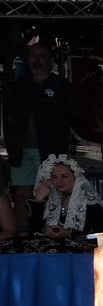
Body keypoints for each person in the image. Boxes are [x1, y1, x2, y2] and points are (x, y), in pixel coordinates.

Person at [5, 39, 74, 202]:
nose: (37, 59)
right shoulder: (17, 87)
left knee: (52, 192)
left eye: (42, 56)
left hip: (50, 151)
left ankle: (50, 227)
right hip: (20, 151)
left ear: (50, 60)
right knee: (21, 194)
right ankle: (24, 228)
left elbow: (72, 117)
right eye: (33, 55)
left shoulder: (61, 86)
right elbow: (8, 119)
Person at [24, 155, 103, 251]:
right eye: (54, 177)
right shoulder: (50, 200)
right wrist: (39, 199)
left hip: (79, 253)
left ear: (76, 177)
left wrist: (68, 233)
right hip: (52, 249)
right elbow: (33, 232)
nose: (59, 181)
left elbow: (102, 237)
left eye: (64, 176)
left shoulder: (89, 202)